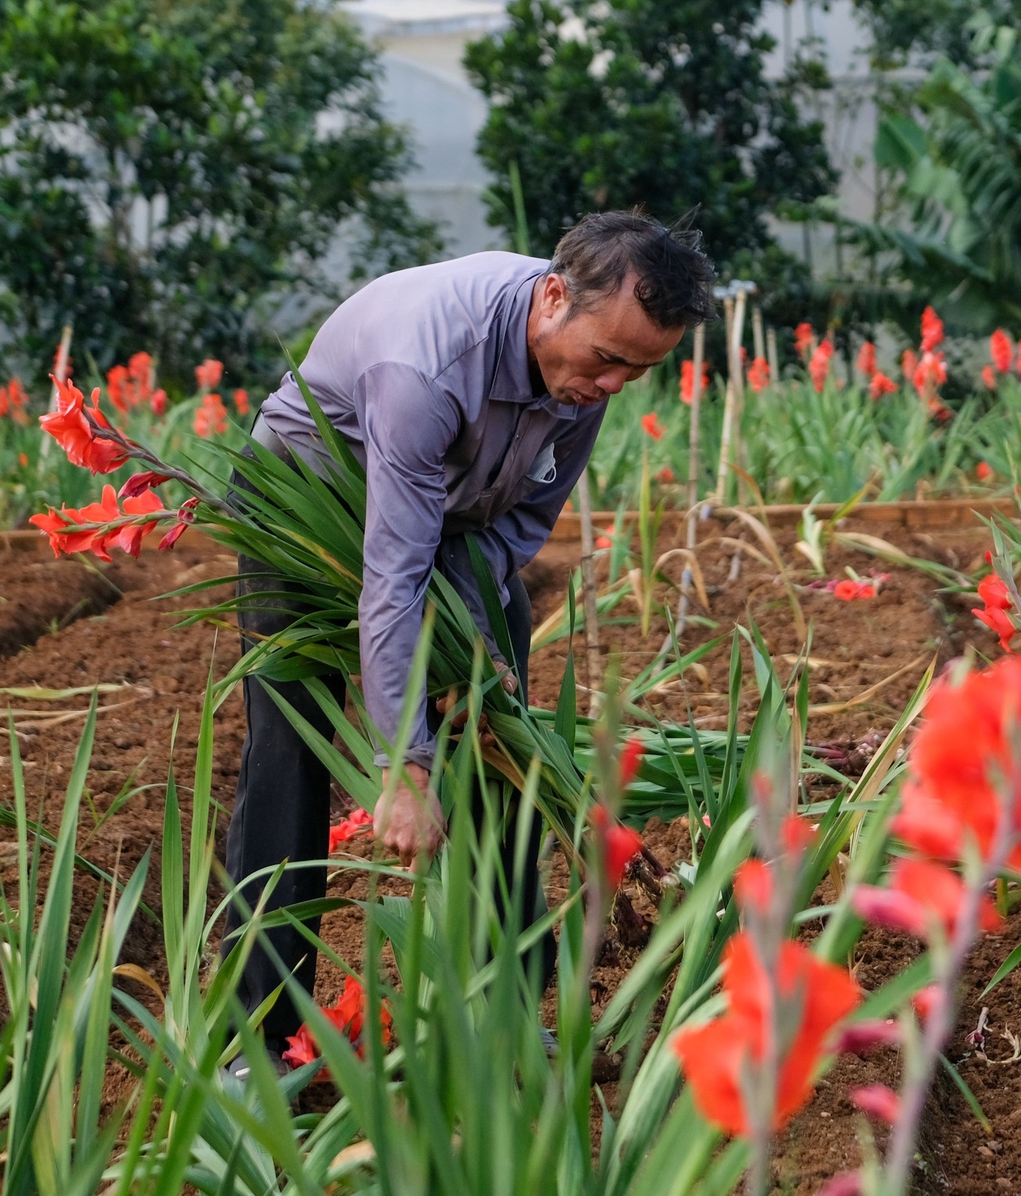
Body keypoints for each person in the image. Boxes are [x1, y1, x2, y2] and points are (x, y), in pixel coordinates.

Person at [224, 211, 714, 1071]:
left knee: (499, 748)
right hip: (306, 514)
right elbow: (391, 577)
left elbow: (511, 528)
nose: (613, 385)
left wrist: (475, 640)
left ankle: (512, 1024)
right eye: (607, 359)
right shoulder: (428, 365)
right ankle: (255, 1048)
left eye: (640, 370)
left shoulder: (586, 375)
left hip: (446, 532)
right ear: (553, 296)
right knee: (287, 762)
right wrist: (403, 767)